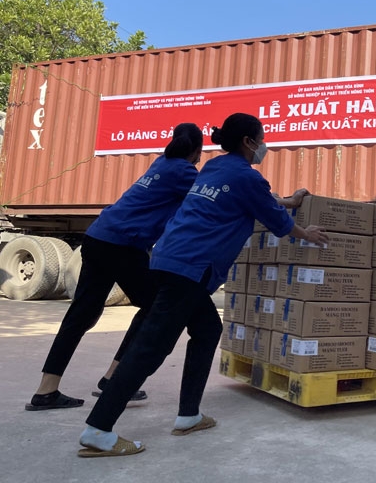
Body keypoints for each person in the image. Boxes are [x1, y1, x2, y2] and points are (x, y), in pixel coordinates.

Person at [77, 112, 330, 458]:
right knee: (151, 347)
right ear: (248, 142)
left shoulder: (213, 168)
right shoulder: (246, 177)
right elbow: (277, 221)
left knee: (208, 329)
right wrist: (306, 232)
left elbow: (262, 203)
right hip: (189, 267)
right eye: (261, 138)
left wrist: (289, 201)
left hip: (171, 259)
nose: (264, 145)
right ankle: (99, 429)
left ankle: (189, 414)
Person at [26, 123, 204, 411]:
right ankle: (114, 378)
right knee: (155, 306)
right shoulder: (184, 172)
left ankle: (46, 390)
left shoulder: (162, 163)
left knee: (81, 315)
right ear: (197, 150)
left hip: (98, 236)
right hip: (123, 244)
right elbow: (217, 197)